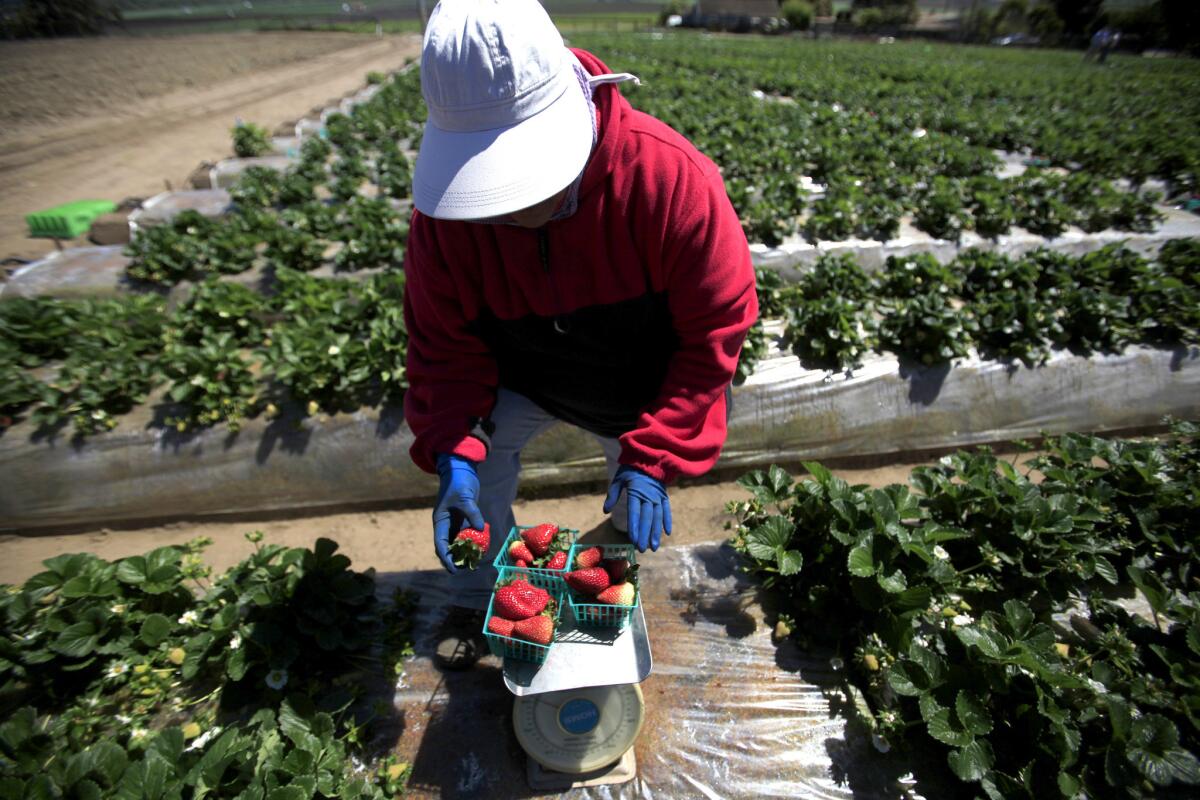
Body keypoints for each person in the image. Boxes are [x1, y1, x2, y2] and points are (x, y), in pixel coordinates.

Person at [402, 0, 757, 667]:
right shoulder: (444, 223)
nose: (511, 211)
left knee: (627, 509)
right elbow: (442, 344)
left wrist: (655, 456)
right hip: (521, 376)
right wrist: (453, 451)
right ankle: (492, 598)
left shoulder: (669, 182)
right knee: (479, 488)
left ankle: (601, 595)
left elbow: (714, 334)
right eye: (492, 196)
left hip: (638, 385)